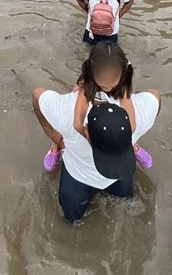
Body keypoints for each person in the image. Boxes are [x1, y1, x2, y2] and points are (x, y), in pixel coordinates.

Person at [33, 43, 161, 222]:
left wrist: (128, 139)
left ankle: (132, 145)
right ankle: (56, 146)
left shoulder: (64, 110)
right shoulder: (78, 104)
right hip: (111, 173)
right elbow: (155, 95)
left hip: (80, 176)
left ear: (123, 72)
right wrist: (58, 138)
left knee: (72, 218)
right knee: (74, 218)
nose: (108, 83)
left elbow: (37, 94)